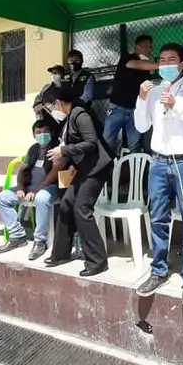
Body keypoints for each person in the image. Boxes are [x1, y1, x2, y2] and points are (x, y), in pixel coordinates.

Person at [133, 43, 183, 306]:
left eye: (172, 59)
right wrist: (142, 100)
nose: (166, 63)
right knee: (157, 217)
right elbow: (141, 125)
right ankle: (158, 270)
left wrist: (177, 105)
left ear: (182, 64)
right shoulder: (154, 91)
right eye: (162, 60)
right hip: (158, 162)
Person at [42, 87, 112, 276]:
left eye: (50, 106)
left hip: (97, 169)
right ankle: (61, 254)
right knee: (65, 204)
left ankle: (97, 261)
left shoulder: (80, 114)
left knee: (82, 209)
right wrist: (72, 163)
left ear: (58, 102)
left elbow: (91, 143)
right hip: (82, 169)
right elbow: (75, 146)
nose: (50, 110)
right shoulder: (67, 119)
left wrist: (63, 151)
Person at [0, 120, 61, 260]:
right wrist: (20, 188)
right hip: (29, 187)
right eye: (38, 132)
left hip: (50, 187)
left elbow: (55, 172)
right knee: (2, 198)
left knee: (41, 198)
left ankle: (40, 241)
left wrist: (36, 191)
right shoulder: (33, 149)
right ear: (34, 134)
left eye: (45, 131)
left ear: (51, 132)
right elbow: (22, 170)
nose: (42, 134)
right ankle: (17, 236)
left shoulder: (56, 149)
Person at [104, 34, 157, 154]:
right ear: (137, 47)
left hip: (134, 110)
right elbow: (137, 64)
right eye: (145, 47)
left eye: (150, 47)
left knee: (135, 145)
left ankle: (135, 170)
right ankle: (107, 169)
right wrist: (162, 65)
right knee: (108, 141)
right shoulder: (127, 58)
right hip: (117, 107)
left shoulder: (147, 67)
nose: (148, 50)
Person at [33, 65, 67, 130]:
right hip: (47, 123)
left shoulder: (68, 87)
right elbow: (36, 106)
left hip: (63, 122)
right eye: (52, 73)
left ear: (62, 74)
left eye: (56, 73)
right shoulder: (46, 88)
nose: (53, 75)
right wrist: (46, 105)